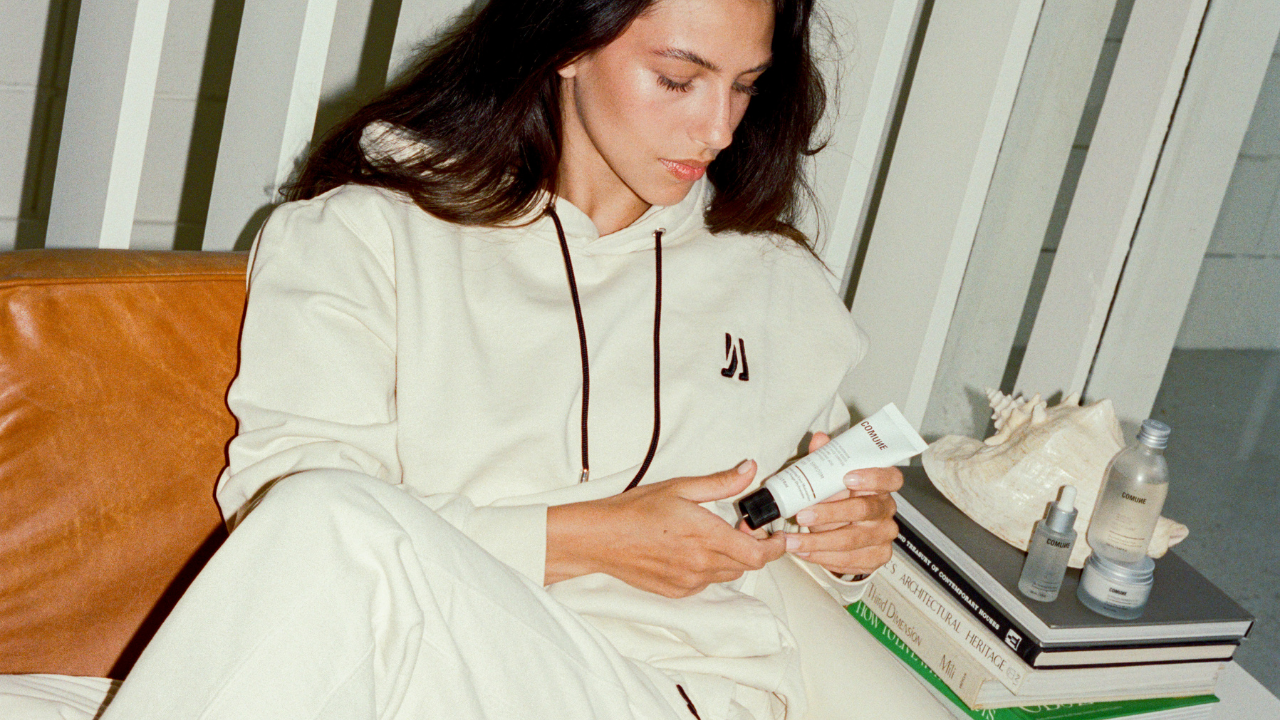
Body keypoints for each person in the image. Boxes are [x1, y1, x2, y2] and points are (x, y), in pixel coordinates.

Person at [99, 0, 947, 718]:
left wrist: (848, 545)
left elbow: (812, 521)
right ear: (569, 43)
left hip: (674, 695)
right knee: (328, 522)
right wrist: (586, 540)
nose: (718, 127)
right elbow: (284, 521)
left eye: (745, 86)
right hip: (419, 675)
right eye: (680, 79)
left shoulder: (778, 286)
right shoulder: (369, 235)